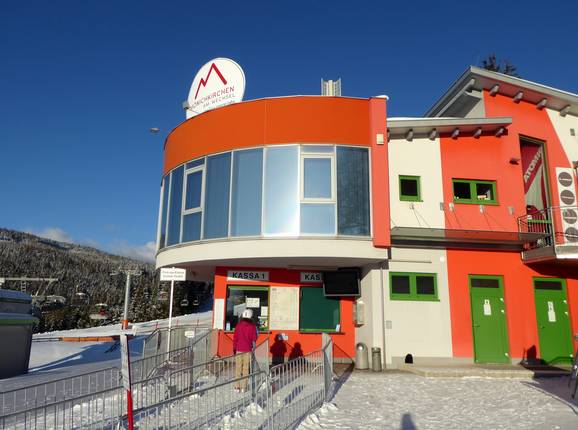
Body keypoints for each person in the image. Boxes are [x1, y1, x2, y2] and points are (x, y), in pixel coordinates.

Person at [233, 308, 258, 391]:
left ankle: (237, 387)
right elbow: (254, 338)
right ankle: (244, 387)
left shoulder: (238, 326)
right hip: (248, 350)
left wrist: (234, 348)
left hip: (239, 349)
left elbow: (235, 338)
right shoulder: (253, 327)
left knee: (238, 368)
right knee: (246, 369)